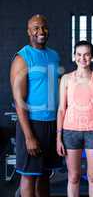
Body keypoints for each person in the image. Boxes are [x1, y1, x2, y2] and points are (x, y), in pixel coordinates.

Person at [10, 14, 61, 197]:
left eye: (44, 27)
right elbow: (19, 101)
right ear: (28, 31)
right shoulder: (22, 58)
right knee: (29, 176)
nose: (41, 31)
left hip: (52, 123)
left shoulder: (54, 55)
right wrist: (29, 136)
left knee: (46, 174)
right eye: (36, 28)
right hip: (32, 124)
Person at [56, 40, 93, 197]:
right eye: (79, 54)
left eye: (86, 54)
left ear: (92, 56)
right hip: (71, 131)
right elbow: (61, 109)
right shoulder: (66, 79)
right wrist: (58, 138)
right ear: (74, 56)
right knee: (73, 177)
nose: (82, 58)